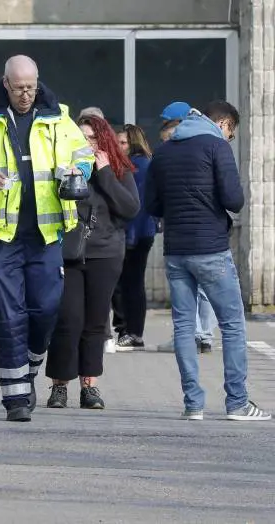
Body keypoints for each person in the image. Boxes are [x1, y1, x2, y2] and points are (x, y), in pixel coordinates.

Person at [0, 55, 94, 422]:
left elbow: (85, 153)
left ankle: (30, 366)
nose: (26, 94)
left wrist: (79, 169)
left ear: (37, 82)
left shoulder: (59, 117)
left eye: (31, 87)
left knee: (45, 309)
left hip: (46, 234)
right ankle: (16, 399)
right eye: (19, 87)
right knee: (9, 315)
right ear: (6, 84)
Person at [146, 100, 271, 421]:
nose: (229, 138)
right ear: (224, 124)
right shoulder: (216, 146)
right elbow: (234, 200)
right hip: (211, 248)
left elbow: (152, 205)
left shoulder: (163, 151)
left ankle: (193, 404)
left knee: (184, 327)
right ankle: (238, 403)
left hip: (176, 251)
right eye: (231, 133)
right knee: (231, 326)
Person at [45, 115, 139, 409]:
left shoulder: (118, 168)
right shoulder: (65, 167)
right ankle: (59, 385)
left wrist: (107, 172)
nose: (88, 143)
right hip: (70, 254)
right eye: (82, 137)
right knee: (68, 320)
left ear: (104, 140)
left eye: (93, 138)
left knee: (96, 322)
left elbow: (131, 208)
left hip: (106, 253)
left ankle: (90, 386)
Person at [156, 103, 217, 354]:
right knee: (204, 287)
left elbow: (156, 197)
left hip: (182, 231)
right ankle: (204, 335)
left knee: (186, 288)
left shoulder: (172, 151)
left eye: (168, 125)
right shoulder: (211, 145)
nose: (165, 131)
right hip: (209, 231)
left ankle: (188, 336)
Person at [114, 123, 158, 349]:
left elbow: (137, 206)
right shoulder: (136, 164)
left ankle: (134, 332)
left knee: (132, 284)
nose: (119, 147)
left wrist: (130, 239)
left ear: (133, 144)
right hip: (137, 232)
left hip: (137, 234)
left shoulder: (138, 166)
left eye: (123, 143)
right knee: (128, 283)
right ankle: (129, 330)